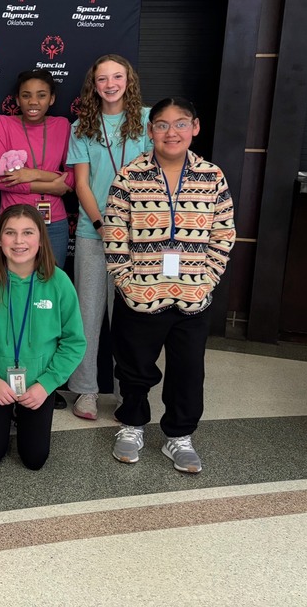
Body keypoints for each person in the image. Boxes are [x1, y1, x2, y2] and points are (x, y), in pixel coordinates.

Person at [105, 97, 235, 474]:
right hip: (140, 297)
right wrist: (129, 285)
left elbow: (223, 233)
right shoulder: (130, 176)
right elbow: (114, 235)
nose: (171, 132)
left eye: (180, 124)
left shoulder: (213, 176)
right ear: (150, 131)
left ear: (195, 127)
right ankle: (131, 427)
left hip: (193, 299)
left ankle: (179, 436)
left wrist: (205, 281)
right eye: (161, 124)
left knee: (189, 370)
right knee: (134, 368)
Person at [64, 54, 151, 421]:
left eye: (117, 77)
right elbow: (81, 183)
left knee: (130, 317)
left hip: (140, 237)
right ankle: (85, 391)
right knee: (87, 314)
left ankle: (127, 390)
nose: (110, 84)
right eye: (103, 79)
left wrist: (137, 226)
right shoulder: (82, 125)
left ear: (128, 80)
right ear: (93, 85)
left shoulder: (148, 120)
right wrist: (102, 226)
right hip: (92, 232)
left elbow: (154, 176)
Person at [0, 205, 86, 471]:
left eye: (28, 233)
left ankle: (22, 415)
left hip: (37, 386)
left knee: (34, 459)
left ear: (41, 239)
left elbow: (74, 342)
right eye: (10, 233)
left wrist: (47, 384)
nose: (19, 241)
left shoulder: (59, 282)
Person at [0, 69, 73, 268]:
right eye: (26, 96)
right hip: (15, 221)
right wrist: (50, 186)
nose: (33, 102)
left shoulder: (63, 126)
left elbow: (72, 179)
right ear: (17, 100)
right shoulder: (3, 124)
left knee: (50, 286)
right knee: (12, 285)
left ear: (51, 99)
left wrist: (31, 174)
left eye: (41, 95)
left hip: (55, 224)